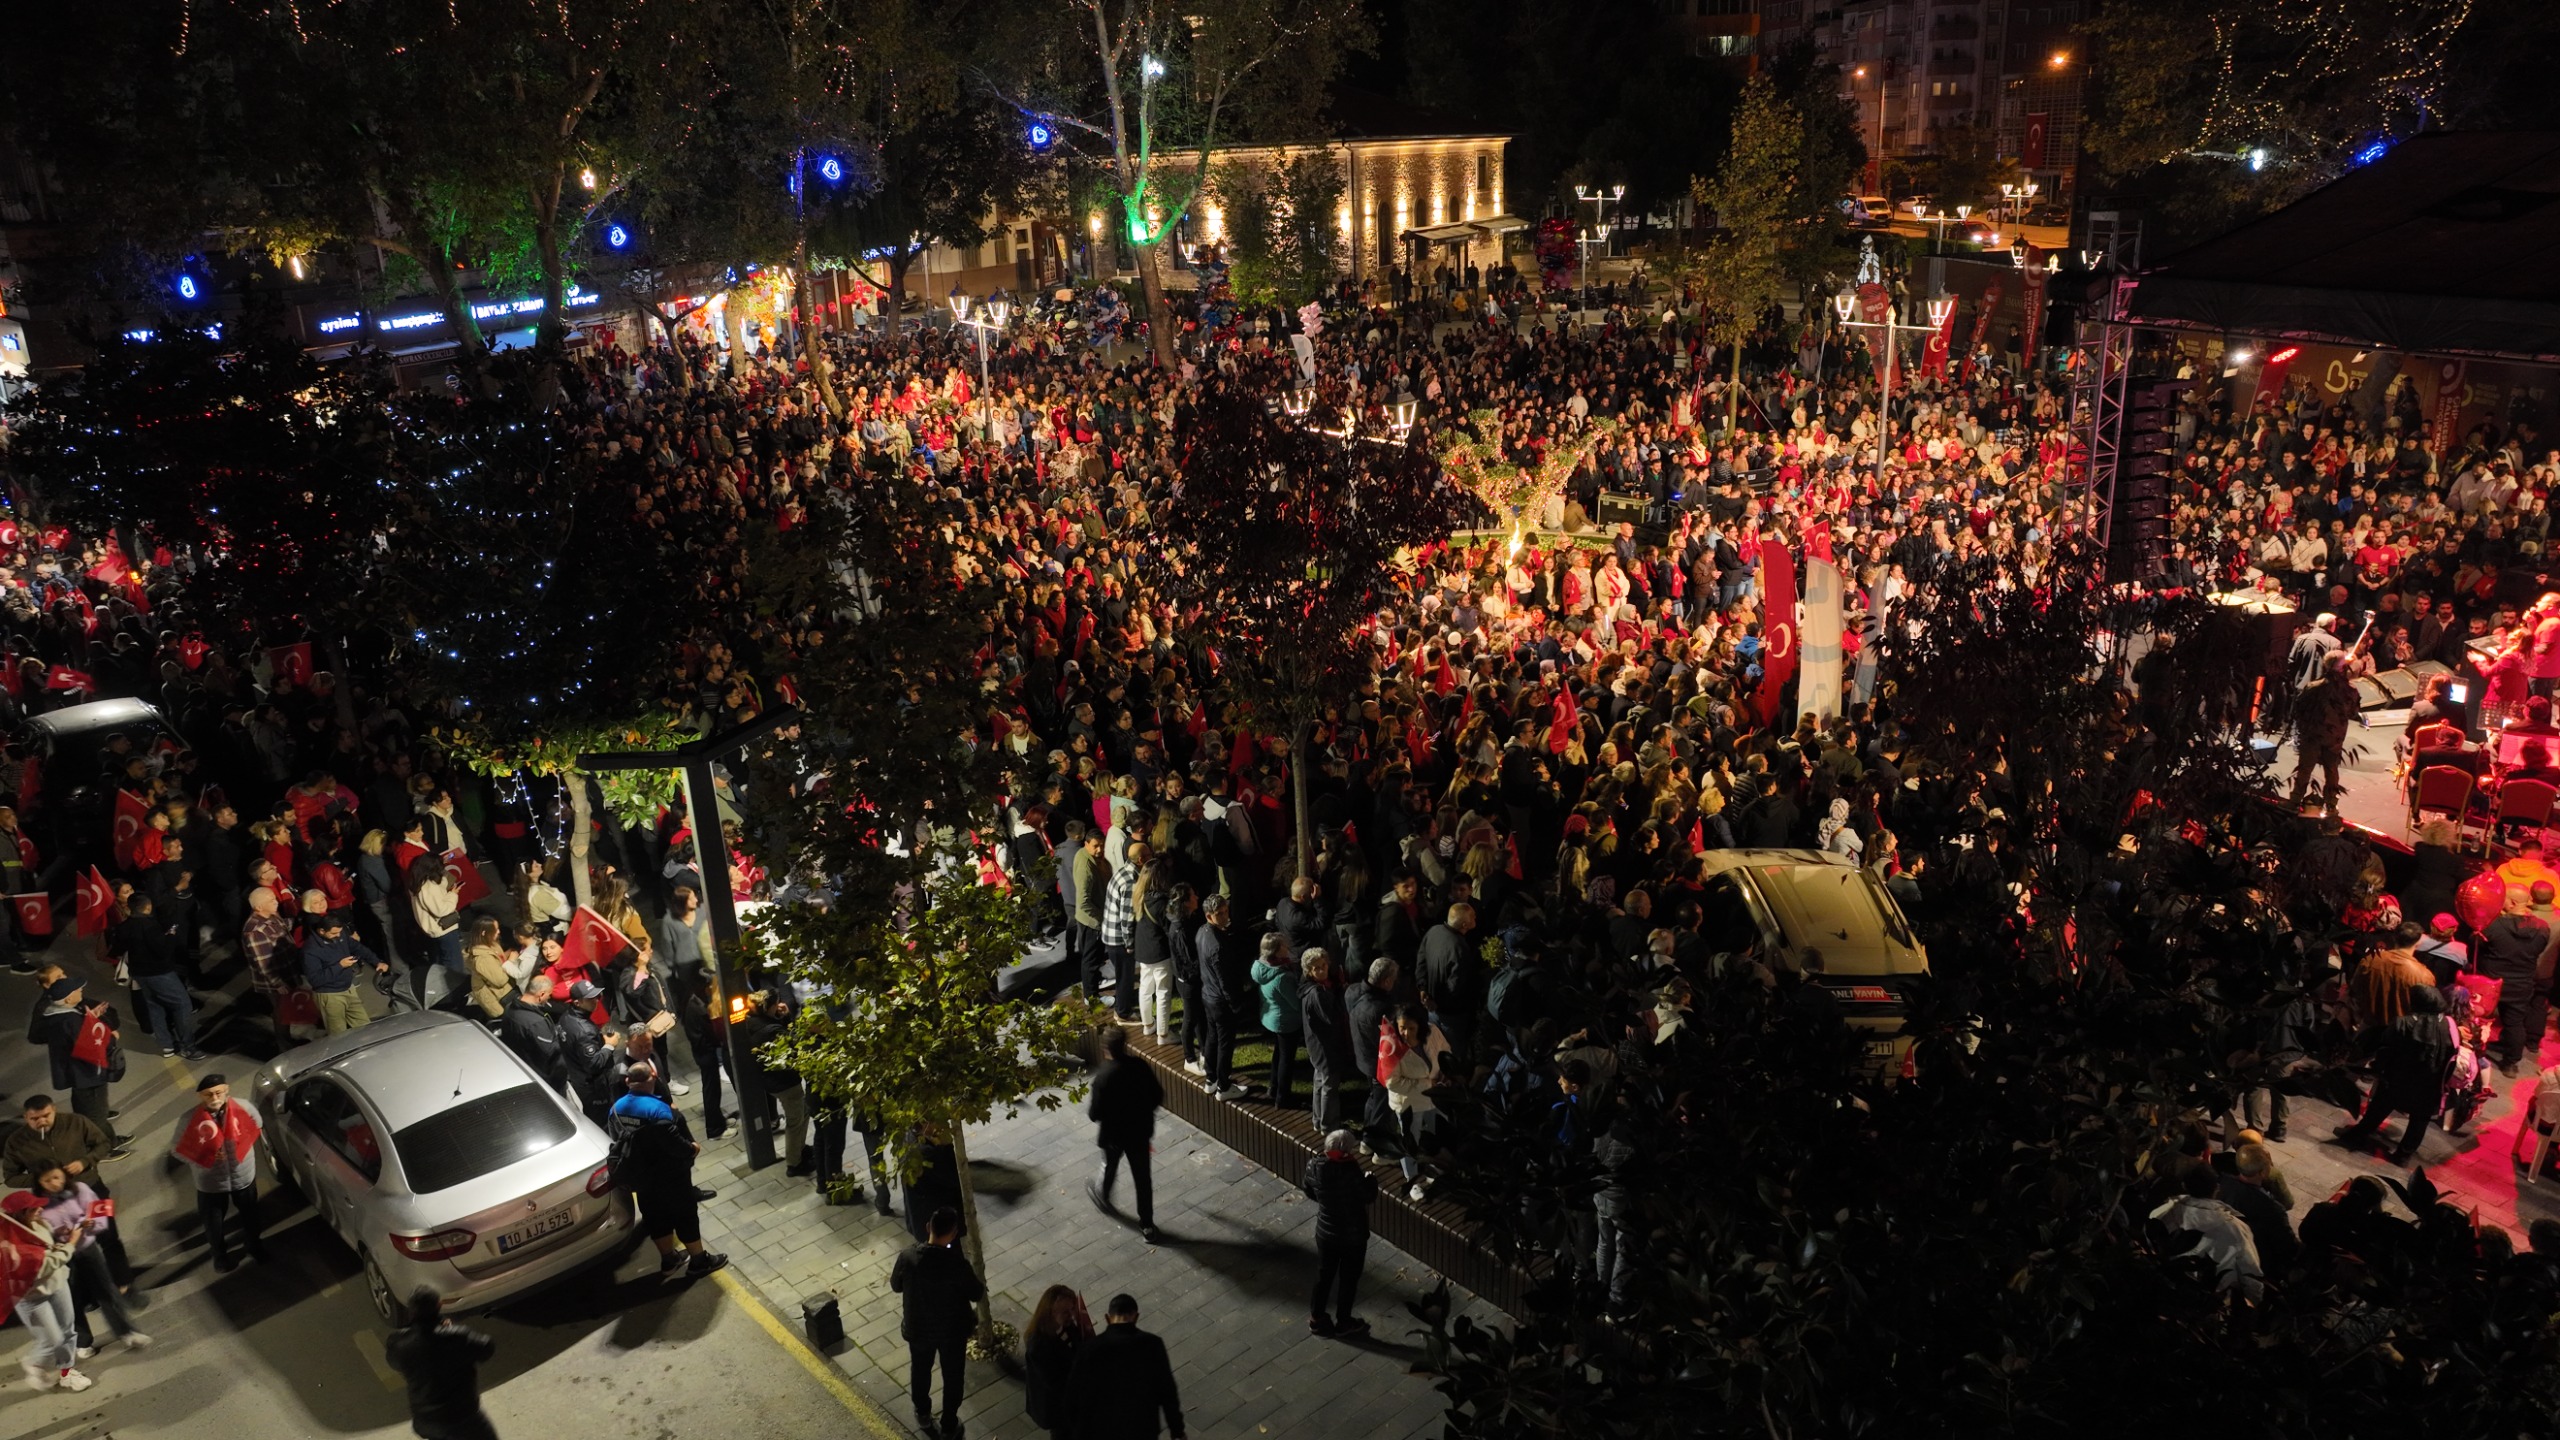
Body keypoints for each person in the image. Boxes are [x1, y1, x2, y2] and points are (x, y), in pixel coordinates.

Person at [605, 1063, 727, 1278]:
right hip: (670, 1175)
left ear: (628, 1082)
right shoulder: (658, 1109)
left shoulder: (616, 1108)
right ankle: (699, 1261)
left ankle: (669, 1259)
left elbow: (617, 1138)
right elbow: (674, 1144)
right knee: (685, 1215)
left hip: (640, 1176)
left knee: (655, 1217)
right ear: (653, 1077)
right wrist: (692, 1149)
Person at [28, 1164, 147, 1352]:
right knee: (72, 1299)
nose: (54, 1183)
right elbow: (36, 1231)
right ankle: (82, 1342)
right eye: (47, 1180)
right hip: (62, 1257)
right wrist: (56, 1235)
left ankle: (126, 1332)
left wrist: (91, 1226)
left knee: (106, 1291)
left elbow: (100, 1213)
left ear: (64, 1175)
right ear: (39, 1183)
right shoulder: (36, 1204)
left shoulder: (80, 1189)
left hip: (87, 1248)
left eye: (56, 1177)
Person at [2334, 984, 2456, 1166]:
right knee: (2419, 1120)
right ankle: (2403, 1155)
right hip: (2430, 1084)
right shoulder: (2449, 1026)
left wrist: (2378, 1069)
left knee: (2379, 1108)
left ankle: (2356, 1135)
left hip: (2398, 1079)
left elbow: (2386, 1050)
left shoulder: (2403, 1023)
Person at [890, 1207, 983, 1440]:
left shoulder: (908, 1257)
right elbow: (976, 1293)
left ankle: (922, 1413)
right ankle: (949, 1424)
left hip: (919, 1330)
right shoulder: (957, 1265)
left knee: (920, 1371)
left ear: (928, 1227)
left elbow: (896, 1285)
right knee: (953, 1377)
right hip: (951, 1333)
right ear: (953, 1234)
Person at [171, 1073, 267, 1271]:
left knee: (250, 1216)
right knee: (213, 1224)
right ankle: (220, 1256)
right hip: (210, 1183)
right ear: (200, 1096)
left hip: (243, 1176)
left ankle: (254, 1245)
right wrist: (204, 1159)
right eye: (208, 1094)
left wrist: (243, 1145)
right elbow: (177, 1149)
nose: (214, 1098)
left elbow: (257, 1125)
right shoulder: (190, 1119)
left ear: (226, 1090)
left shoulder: (243, 1108)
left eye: (218, 1092)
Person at [1063, 1293, 1187, 1440]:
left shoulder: (1089, 1349)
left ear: (1107, 1318)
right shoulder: (1152, 1344)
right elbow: (1167, 1392)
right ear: (1136, 1317)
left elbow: (1072, 1396)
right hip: (1142, 1430)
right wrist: (1177, 1429)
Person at [384, 1287, 500, 1440]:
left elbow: (393, 1361)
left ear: (411, 1310)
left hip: (426, 1422)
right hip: (462, 1418)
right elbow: (487, 1348)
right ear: (438, 1306)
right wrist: (450, 1329)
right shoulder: (457, 1337)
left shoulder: (400, 1344)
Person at [3, 1189, 89, 1392]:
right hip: (31, 1298)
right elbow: (44, 1265)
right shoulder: (9, 1242)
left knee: (68, 1330)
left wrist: (62, 1236)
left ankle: (67, 1373)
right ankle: (33, 1363)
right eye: (34, 1209)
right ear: (21, 1214)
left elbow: (49, 1246)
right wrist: (72, 1243)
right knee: (52, 1340)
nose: (40, 1209)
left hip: (57, 1283)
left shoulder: (39, 1223)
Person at [1087, 1025, 1164, 1241]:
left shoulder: (1103, 1076)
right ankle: (1147, 1225)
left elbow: (1094, 1114)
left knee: (1109, 1165)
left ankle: (1103, 1195)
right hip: (1139, 1133)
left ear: (1105, 1048)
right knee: (1142, 1179)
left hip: (1113, 1136)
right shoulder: (1139, 1066)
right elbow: (1157, 1095)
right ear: (1124, 1045)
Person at [2147, 1163, 2265, 1299]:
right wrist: (2254, 1302)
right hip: (2209, 1300)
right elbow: (2250, 1276)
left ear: (2184, 1185)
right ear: (2217, 1189)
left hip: (2162, 1288)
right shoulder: (2236, 1228)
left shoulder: (2160, 1212)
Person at [1300, 1128, 1377, 1337]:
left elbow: (1308, 1189)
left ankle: (1316, 1318)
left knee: (1324, 1275)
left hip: (1325, 1232)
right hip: (1353, 1236)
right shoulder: (1351, 1171)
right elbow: (1368, 1196)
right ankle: (1344, 1321)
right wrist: (1371, 1179)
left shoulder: (1314, 1165)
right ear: (1347, 1150)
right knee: (1348, 1279)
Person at [301, 911, 389, 1035]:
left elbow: (358, 947)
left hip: (348, 989)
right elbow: (316, 980)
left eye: (340, 932)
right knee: (338, 1034)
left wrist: (377, 962)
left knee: (365, 1027)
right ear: (321, 931)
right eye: (334, 933)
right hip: (330, 996)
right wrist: (340, 966)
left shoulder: (340, 934)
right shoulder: (310, 951)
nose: (338, 936)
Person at [1022, 1284, 1092, 1439]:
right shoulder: (1039, 1344)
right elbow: (1055, 1382)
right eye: (1065, 1312)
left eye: (1072, 1309)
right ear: (1050, 1313)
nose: (1072, 1315)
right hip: (1057, 1407)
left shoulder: (1066, 1324)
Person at [1252, 933, 1304, 1108]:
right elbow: (1296, 1003)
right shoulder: (1282, 977)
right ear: (1276, 950)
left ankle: (1273, 1088)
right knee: (1286, 1060)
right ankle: (1283, 1098)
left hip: (1271, 1018)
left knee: (1278, 1054)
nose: (1287, 947)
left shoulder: (1260, 966)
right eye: (1283, 945)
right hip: (1285, 1022)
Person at [499, 976, 570, 1090]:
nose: (549, 998)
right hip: (543, 1077)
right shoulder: (536, 1022)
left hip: (521, 1067)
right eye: (549, 995)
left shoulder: (509, 1007)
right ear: (541, 994)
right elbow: (551, 1052)